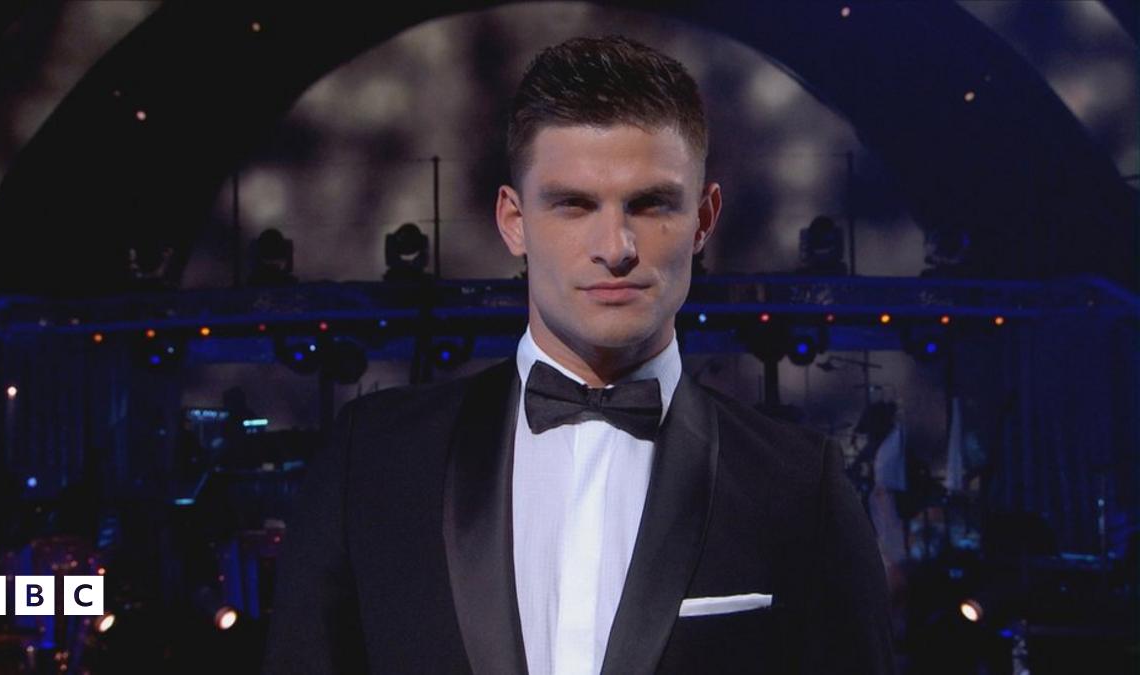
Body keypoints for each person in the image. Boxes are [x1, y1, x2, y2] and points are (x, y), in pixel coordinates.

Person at [263, 35, 895, 675]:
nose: (615, 246)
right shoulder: (374, 463)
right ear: (514, 221)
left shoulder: (798, 487)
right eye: (573, 204)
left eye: (651, 204)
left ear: (704, 219)